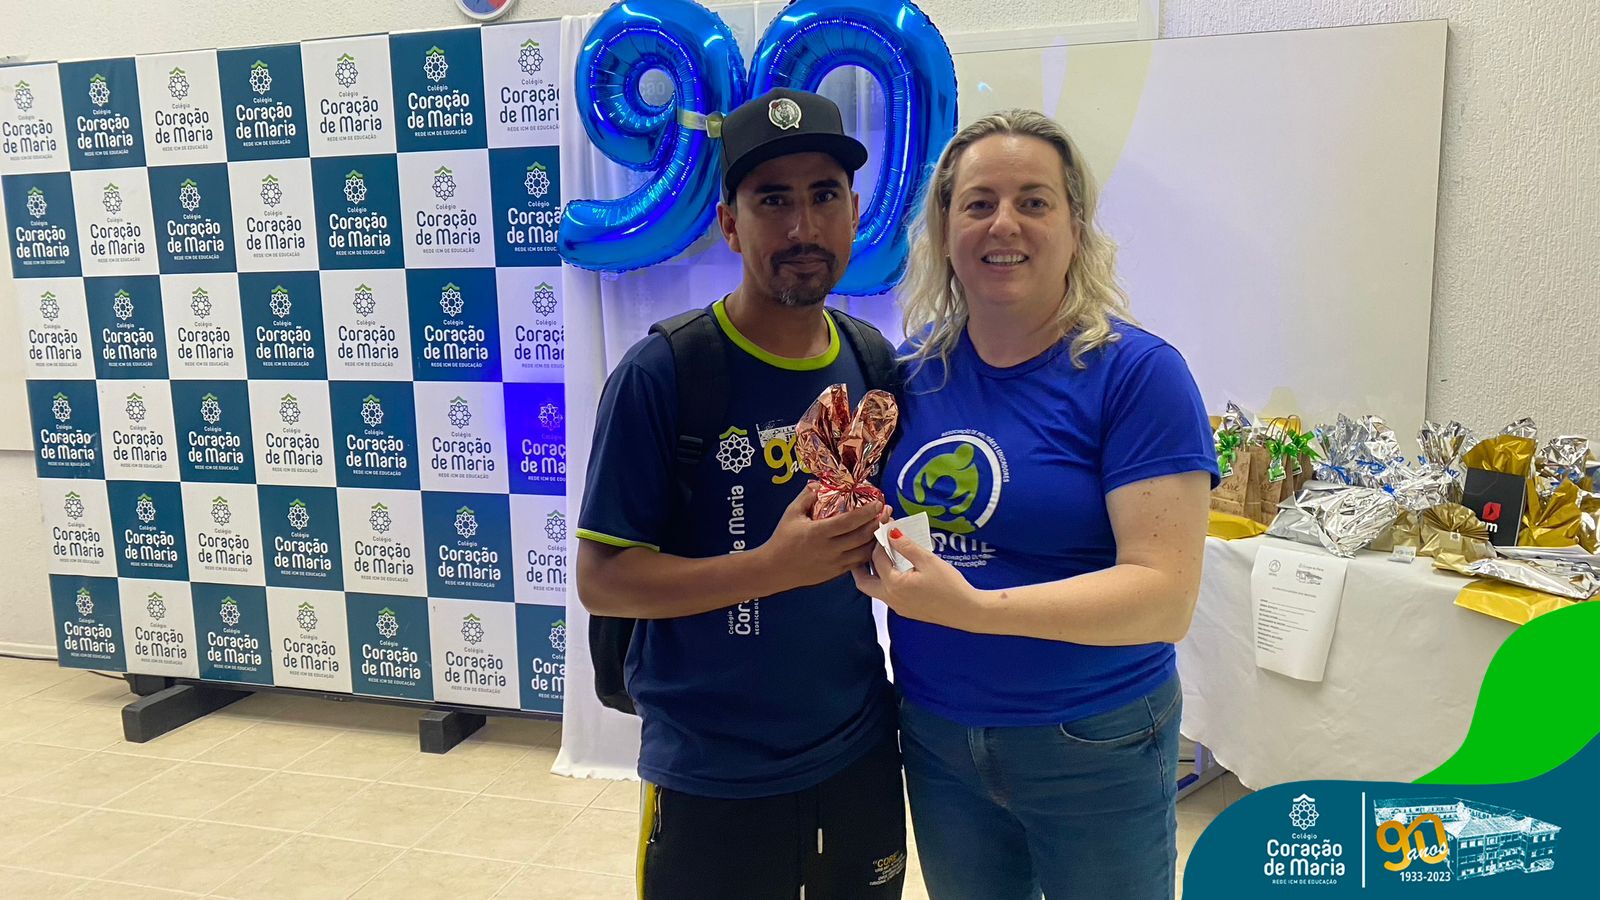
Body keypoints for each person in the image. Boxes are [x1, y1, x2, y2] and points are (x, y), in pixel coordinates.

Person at [854, 109, 1218, 900]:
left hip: (1092, 740)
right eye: (978, 203)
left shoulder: (1139, 375)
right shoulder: (908, 374)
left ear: (1076, 228)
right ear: (944, 230)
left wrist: (973, 608)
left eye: (1034, 201)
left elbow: (1164, 598)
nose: (1003, 224)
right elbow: (889, 526)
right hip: (938, 735)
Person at [575, 88, 907, 899]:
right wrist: (772, 566)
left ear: (854, 212)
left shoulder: (873, 363)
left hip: (858, 753)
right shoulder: (665, 373)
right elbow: (603, 581)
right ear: (730, 224)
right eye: (773, 201)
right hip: (711, 772)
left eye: (823, 196)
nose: (802, 227)